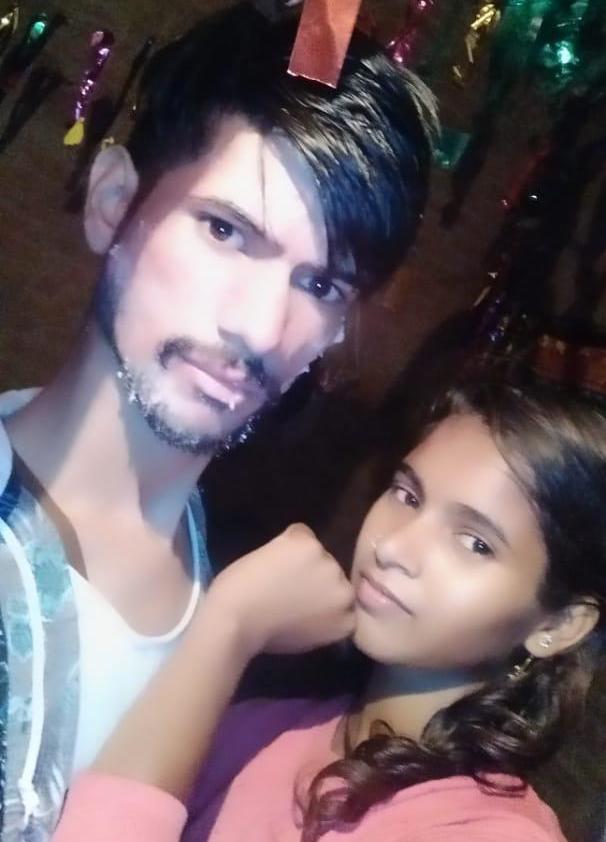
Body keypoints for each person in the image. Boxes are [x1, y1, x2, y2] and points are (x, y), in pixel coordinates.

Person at [0, 3, 437, 835]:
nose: (261, 329)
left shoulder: (270, 613)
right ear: (113, 203)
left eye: (321, 284)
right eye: (226, 230)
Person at [53, 379, 606, 842]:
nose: (394, 547)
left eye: (475, 543)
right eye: (407, 495)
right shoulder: (270, 724)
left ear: (559, 624)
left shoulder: (486, 832)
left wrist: (227, 626)